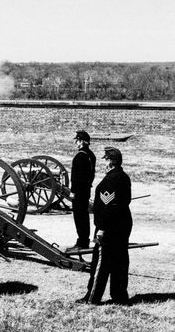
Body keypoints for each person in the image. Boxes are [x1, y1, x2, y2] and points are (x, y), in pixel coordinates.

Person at [77, 147, 132, 305]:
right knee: (120, 262)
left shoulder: (109, 181)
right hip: (123, 225)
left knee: (100, 263)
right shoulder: (124, 177)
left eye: (106, 160)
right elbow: (122, 202)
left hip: (109, 228)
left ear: (111, 162)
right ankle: (120, 297)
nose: (104, 164)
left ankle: (92, 297)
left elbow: (108, 208)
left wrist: (101, 228)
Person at [69, 130, 96, 250]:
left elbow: (76, 177)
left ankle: (82, 242)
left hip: (79, 191)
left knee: (79, 217)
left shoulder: (80, 156)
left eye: (77, 140)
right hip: (86, 190)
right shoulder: (91, 155)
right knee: (84, 216)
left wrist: (73, 191)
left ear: (81, 141)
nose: (76, 143)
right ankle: (84, 239)